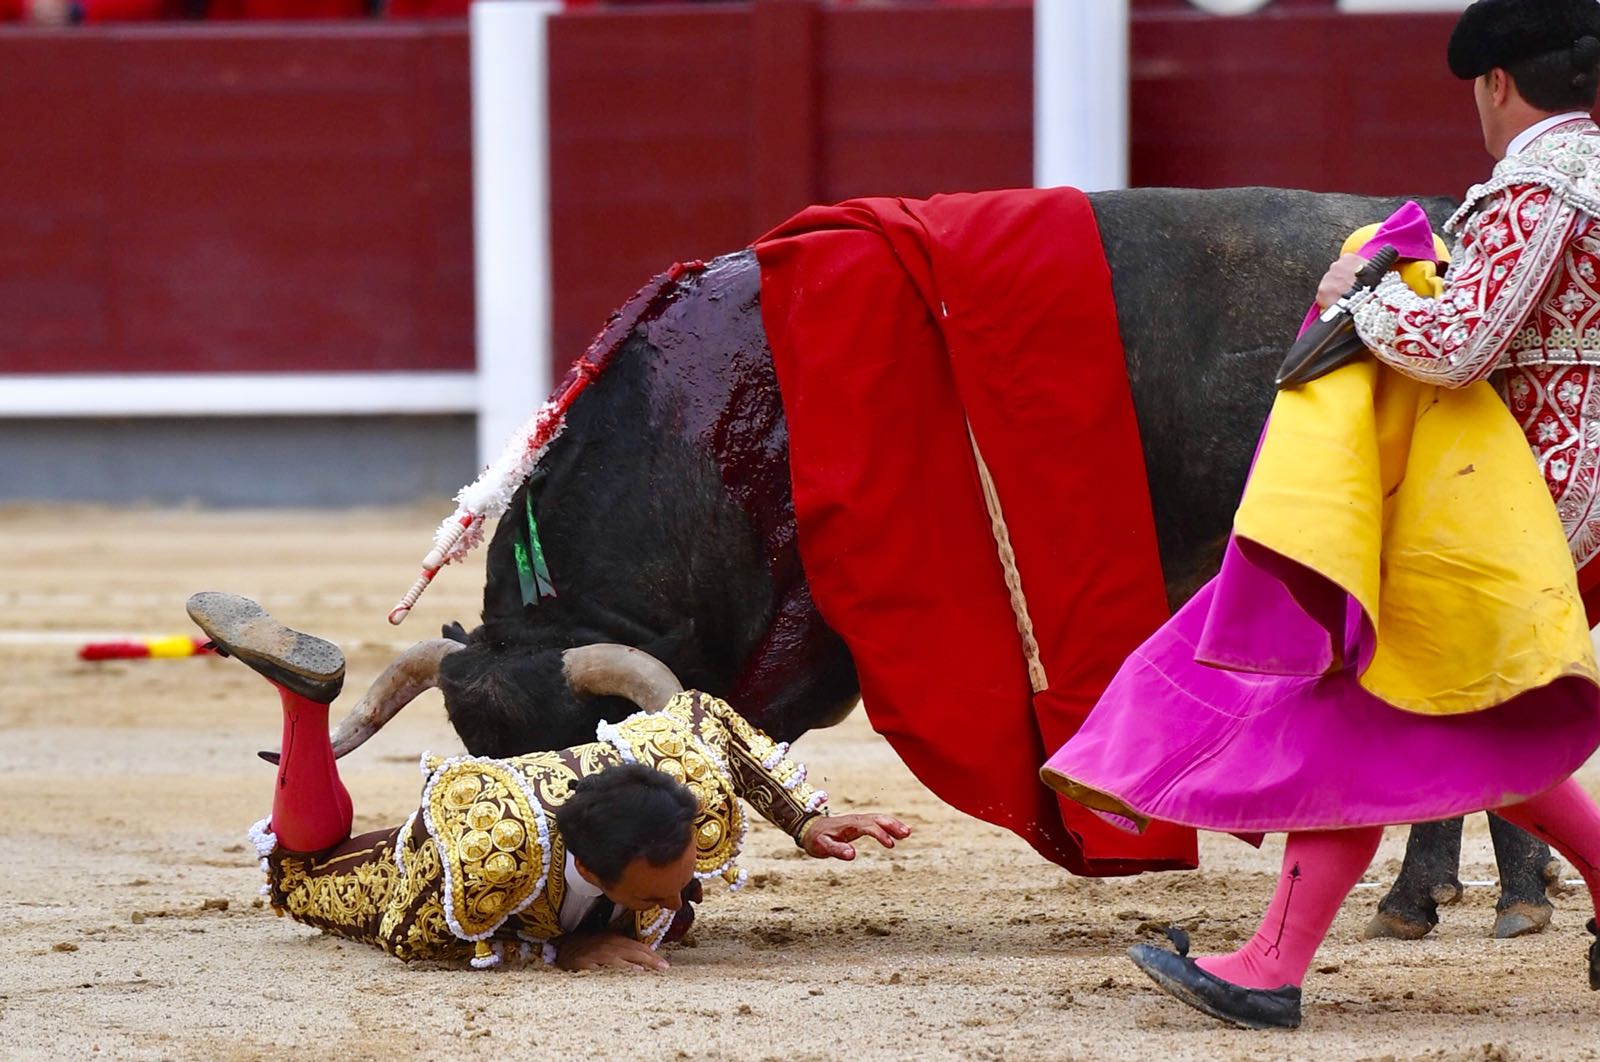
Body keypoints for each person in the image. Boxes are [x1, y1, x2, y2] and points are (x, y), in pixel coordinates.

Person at [1042, 0, 1600, 1030]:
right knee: (1465, 715)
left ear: (1495, 85)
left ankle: (1268, 964)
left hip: (1520, 502)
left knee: (1354, 698)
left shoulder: (1539, 184)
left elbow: (1453, 348)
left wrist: (1357, 294)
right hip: (1554, 492)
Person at [187, 591, 910, 971]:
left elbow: (710, 723)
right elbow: (411, 935)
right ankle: (303, 707)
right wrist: (561, 948)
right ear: (592, 869)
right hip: (420, 867)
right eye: (656, 891)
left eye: (683, 875)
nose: (685, 893)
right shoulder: (481, 859)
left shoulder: (677, 770)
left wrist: (806, 821)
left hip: (549, 809)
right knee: (299, 865)